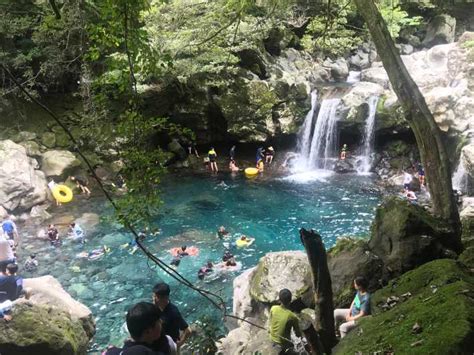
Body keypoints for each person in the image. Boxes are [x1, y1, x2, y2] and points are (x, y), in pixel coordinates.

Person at [104, 302, 176, 355]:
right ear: (148, 331)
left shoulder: (120, 351)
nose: (162, 322)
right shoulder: (168, 343)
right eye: (159, 321)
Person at [152, 283, 192, 349]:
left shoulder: (173, 312)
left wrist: (179, 344)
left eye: (157, 297)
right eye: (153, 296)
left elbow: (187, 330)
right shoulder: (156, 307)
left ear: (166, 298)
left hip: (170, 346)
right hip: (160, 343)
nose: (154, 299)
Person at [269, 288, 302, 354]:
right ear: (290, 300)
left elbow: (270, 322)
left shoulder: (273, 308)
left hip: (272, 338)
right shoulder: (292, 316)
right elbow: (298, 334)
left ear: (279, 299)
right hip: (283, 343)